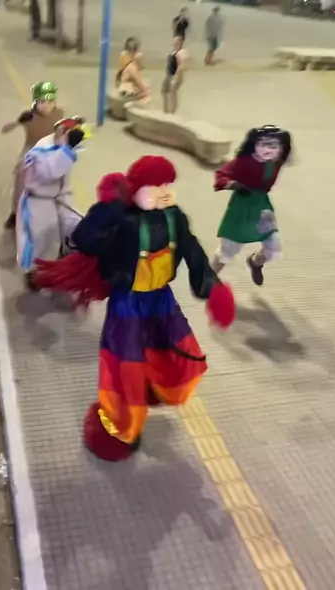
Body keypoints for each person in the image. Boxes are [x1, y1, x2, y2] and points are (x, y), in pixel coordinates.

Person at [29, 155, 236, 461]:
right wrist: (108, 208)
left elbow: (193, 252)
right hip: (127, 304)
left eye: (167, 185)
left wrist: (212, 288)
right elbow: (85, 239)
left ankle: (155, 384)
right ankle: (117, 427)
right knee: (123, 365)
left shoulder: (175, 217)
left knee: (177, 353)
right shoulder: (122, 221)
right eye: (155, 186)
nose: (164, 192)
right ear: (134, 190)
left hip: (161, 299)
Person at [212, 125, 292, 286]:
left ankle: (255, 262)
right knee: (229, 248)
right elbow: (222, 174)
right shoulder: (244, 162)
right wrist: (232, 184)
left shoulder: (276, 161)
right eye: (263, 144)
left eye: (273, 145)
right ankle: (207, 278)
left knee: (273, 245)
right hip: (241, 208)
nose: (268, 150)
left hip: (262, 207)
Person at [16, 117, 86, 275]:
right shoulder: (42, 149)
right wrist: (67, 148)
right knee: (41, 240)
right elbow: (51, 172)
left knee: (74, 226)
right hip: (38, 201)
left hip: (59, 198)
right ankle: (35, 274)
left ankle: (63, 260)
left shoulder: (63, 147)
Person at [1, 81, 64, 229]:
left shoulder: (59, 113)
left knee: (60, 181)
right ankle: (15, 213)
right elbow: (4, 130)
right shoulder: (28, 115)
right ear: (36, 102)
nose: (46, 106)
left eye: (50, 102)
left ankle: (57, 212)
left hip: (50, 150)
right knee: (20, 181)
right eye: (42, 102)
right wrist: (18, 121)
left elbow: (60, 133)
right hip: (31, 150)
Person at [116, 37, 150, 101]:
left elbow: (139, 70)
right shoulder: (129, 65)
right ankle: (142, 92)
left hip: (126, 83)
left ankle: (142, 92)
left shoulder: (127, 57)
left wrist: (137, 61)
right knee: (146, 92)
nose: (140, 52)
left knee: (146, 83)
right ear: (133, 51)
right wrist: (145, 91)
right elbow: (136, 73)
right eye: (138, 50)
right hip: (126, 89)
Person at [161, 36, 187, 114]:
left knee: (173, 93)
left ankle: (173, 111)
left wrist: (176, 77)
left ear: (179, 43)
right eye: (173, 42)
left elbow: (182, 66)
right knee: (164, 91)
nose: (173, 44)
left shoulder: (181, 53)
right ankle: (166, 109)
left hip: (175, 76)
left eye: (175, 43)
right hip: (169, 75)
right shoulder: (173, 51)